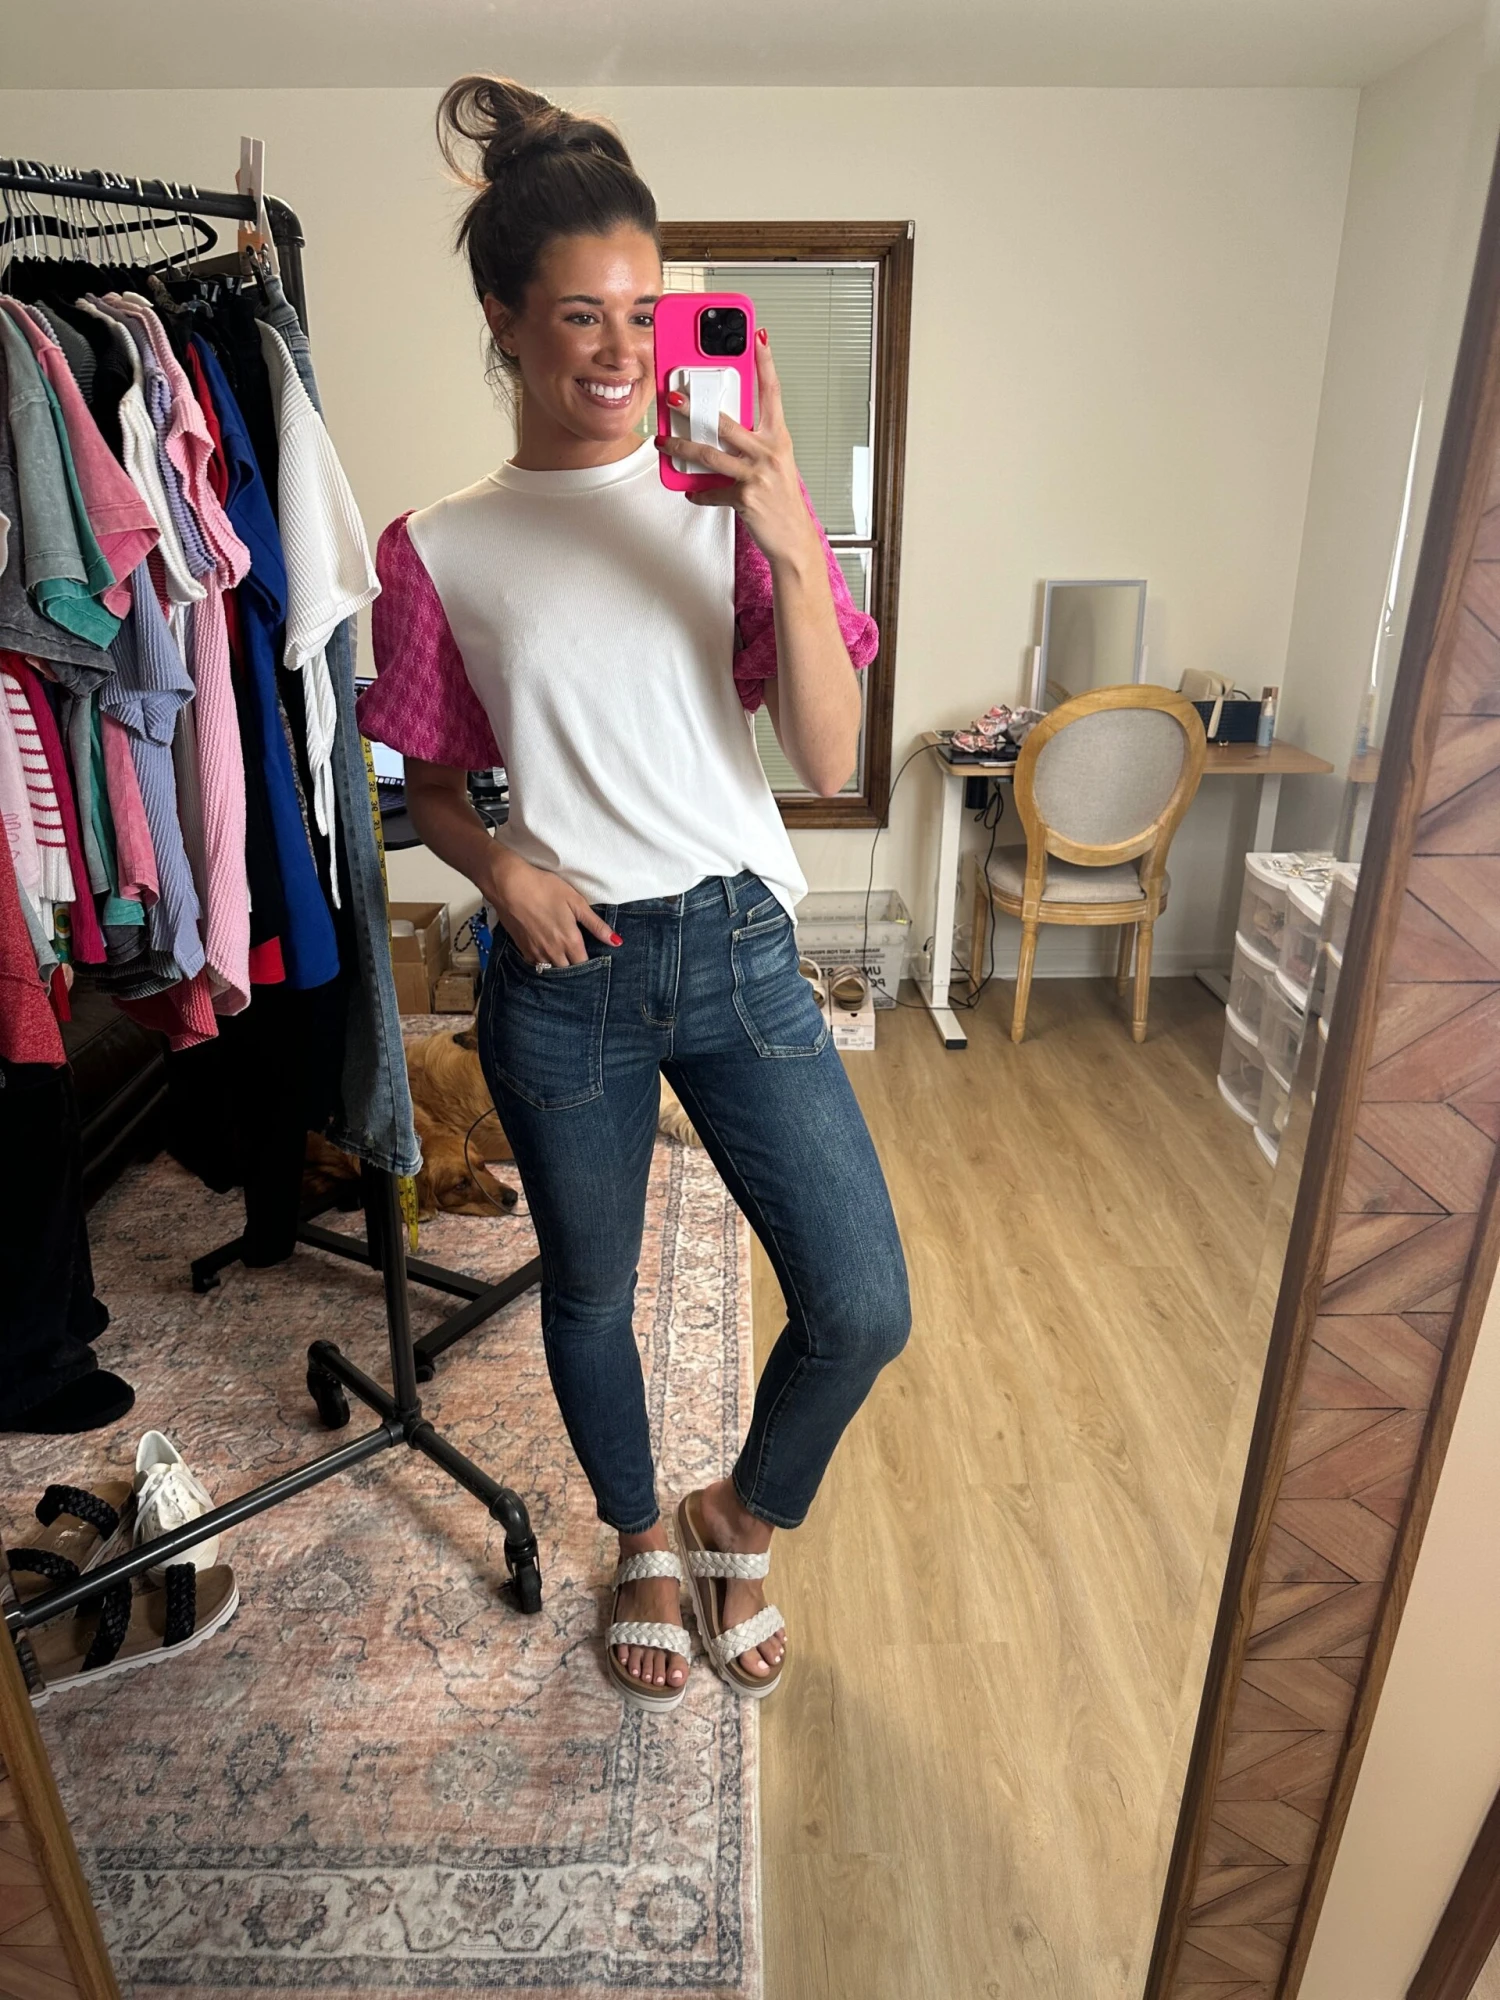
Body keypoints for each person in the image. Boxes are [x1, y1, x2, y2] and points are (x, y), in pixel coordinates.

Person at [357, 74, 910, 1710]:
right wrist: (500, 869)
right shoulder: (437, 548)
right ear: (503, 319)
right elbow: (430, 792)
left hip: (738, 947)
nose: (620, 351)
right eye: (581, 315)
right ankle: (639, 1540)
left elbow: (827, 751)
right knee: (590, 1294)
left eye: (646, 312)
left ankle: (737, 1516)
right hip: (564, 970)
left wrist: (790, 533)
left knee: (862, 1304)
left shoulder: (728, 506)